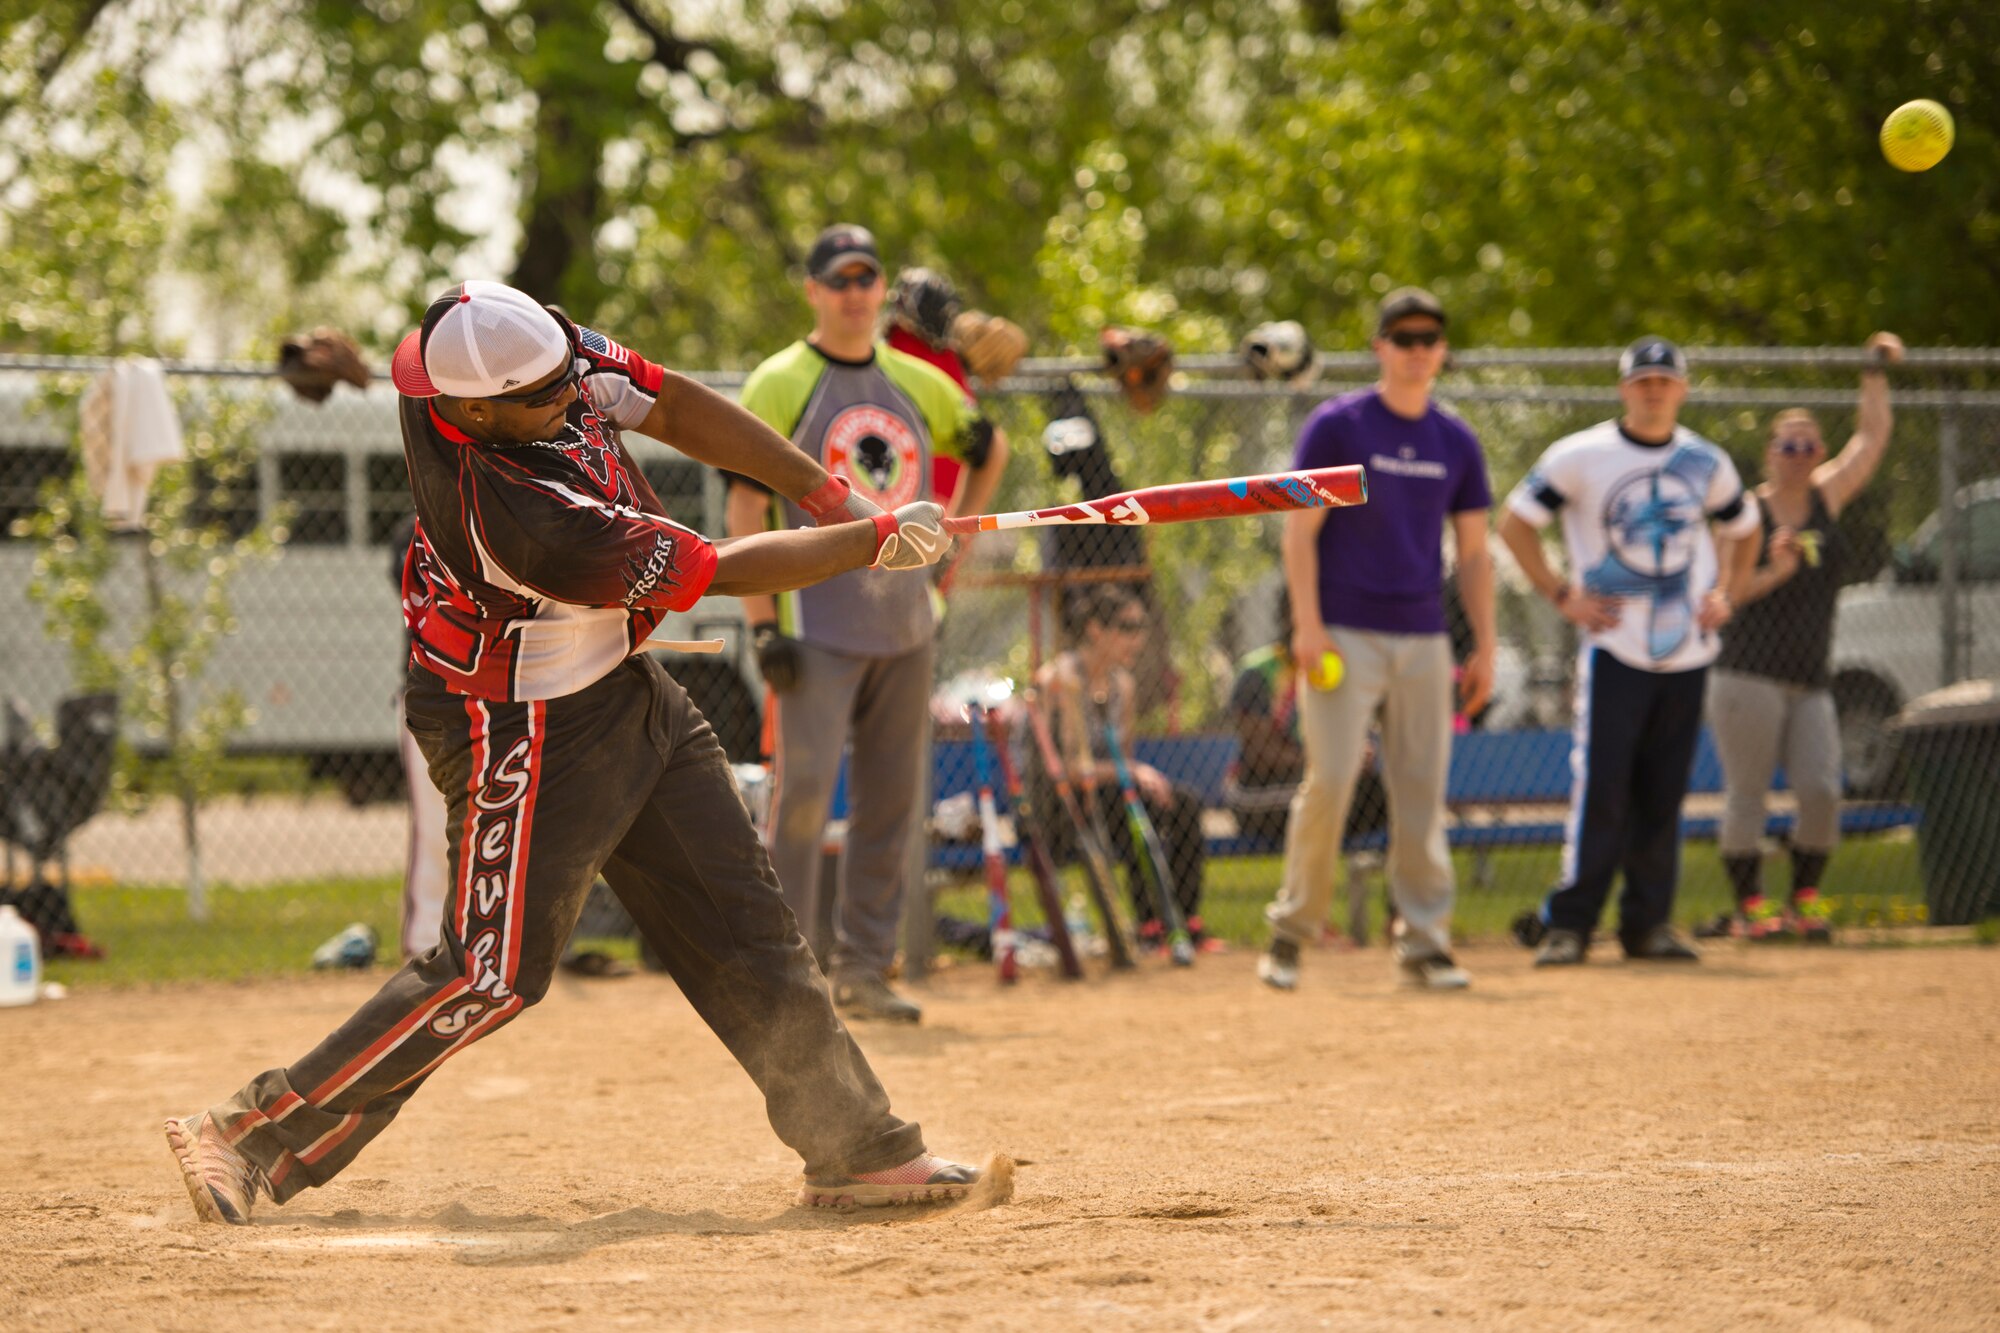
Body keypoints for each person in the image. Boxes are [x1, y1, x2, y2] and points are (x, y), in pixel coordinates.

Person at [164, 279, 982, 1226]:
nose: (575, 393)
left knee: (743, 918)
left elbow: (670, 401)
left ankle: (856, 1147)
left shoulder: (514, 345)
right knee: (490, 970)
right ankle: (250, 1133)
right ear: (474, 411)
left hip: (621, 683)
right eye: (548, 397)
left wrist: (823, 487)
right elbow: (715, 570)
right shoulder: (518, 511)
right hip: (521, 719)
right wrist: (869, 540)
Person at [727, 225, 1008, 1025]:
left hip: (906, 620)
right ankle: (785, 975)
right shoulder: (781, 381)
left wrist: (958, 536)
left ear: (882, 289)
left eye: (866, 277)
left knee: (893, 799)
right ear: (813, 290)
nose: (854, 292)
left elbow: (988, 445)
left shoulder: (917, 380)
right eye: (837, 279)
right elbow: (745, 502)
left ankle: (862, 967)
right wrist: (760, 626)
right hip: (815, 620)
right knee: (805, 798)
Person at [1259, 288, 1496, 992]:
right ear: (1380, 347)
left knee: (1422, 790)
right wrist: (1305, 623)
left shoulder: (1455, 440)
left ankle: (1424, 942)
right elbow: (1299, 530)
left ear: (1442, 350)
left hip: (1423, 636)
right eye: (1404, 337)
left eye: (1430, 337)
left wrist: (1482, 644)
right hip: (1343, 634)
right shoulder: (1339, 426)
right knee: (1330, 779)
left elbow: (1476, 553)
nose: (1418, 349)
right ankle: (1291, 931)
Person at [1498, 336, 1762, 968]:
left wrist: (1728, 592)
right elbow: (1515, 523)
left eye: (1664, 381)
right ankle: (1571, 925)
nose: (1653, 390)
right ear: (1624, 389)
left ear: (1682, 389)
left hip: (1686, 650)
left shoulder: (1705, 461)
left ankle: (1648, 926)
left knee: (1663, 792)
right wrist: (1564, 594)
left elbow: (1745, 531)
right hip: (1614, 647)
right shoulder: (1582, 455)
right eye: (1642, 380)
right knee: (1604, 789)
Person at [1704, 332, 1905, 942]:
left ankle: (1805, 901)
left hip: (1811, 676)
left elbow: (1871, 441)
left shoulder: (1827, 497)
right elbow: (1723, 598)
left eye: (1808, 445)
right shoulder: (1745, 514)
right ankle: (1751, 909)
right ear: (1770, 452)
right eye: (1787, 445)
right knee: (1749, 794)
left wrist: (1873, 371)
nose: (1798, 454)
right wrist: (1774, 570)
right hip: (1747, 676)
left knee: (1821, 788)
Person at [1031, 586, 1214, 950]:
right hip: (1060, 802)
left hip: (1106, 790)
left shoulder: (1121, 685)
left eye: (1142, 626)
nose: (1139, 638)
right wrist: (1130, 773)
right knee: (1128, 803)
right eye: (1128, 627)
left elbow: (1123, 761)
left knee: (1184, 804)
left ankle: (1184, 921)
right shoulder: (1060, 680)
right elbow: (1068, 768)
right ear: (1096, 630)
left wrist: (1132, 773)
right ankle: (1149, 923)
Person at [386, 511, 451, 962]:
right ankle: (425, 943)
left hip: (502, 694)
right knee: (434, 829)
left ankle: (494, 946)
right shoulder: (417, 528)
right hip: (427, 695)